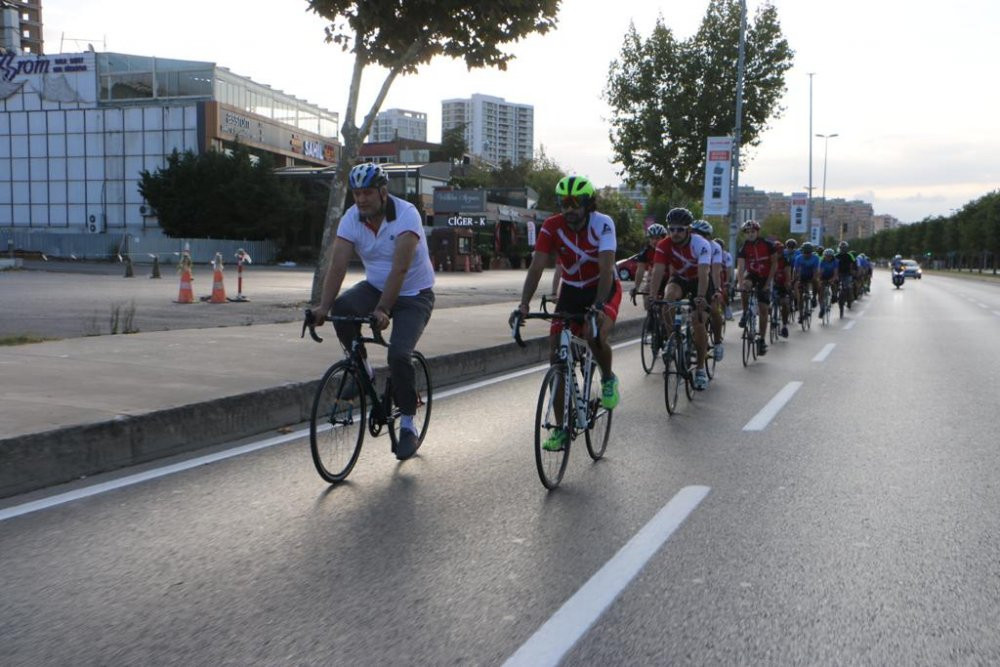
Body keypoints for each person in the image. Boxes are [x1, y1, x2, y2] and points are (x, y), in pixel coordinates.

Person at [313, 162, 435, 461]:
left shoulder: (406, 214)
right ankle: (361, 370)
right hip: (374, 287)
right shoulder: (352, 218)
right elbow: (338, 264)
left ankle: (408, 424)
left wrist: (383, 309)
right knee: (342, 309)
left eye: (367, 192)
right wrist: (323, 307)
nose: (361, 199)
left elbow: (401, 267)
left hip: (414, 294)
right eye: (356, 194)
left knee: (398, 355)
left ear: (383, 192)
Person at [513, 175, 622, 452]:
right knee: (556, 358)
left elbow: (607, 270)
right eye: (564, 203)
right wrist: (524, 304)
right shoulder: (552, 226)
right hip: (572, 290)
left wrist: (597, 307)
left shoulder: (603, 224)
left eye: (575, 203)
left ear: (588, 204)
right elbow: (537, 267)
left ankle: (608, 378)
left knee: (593, 333)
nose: (569, 209)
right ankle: (561, 428)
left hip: (602, 287)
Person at [648, 208, 713, 390]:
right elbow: (658, 271)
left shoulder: (701, 244)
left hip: (700, 281)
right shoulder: (664, 245)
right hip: (680, 280)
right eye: (672, 229)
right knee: (667, 300)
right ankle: (673, 339)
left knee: (697, 322)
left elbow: (704, 273)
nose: (675, 233)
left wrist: (700, 298)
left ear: (688, 230)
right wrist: (653, 296)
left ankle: (700, 368)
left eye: (680, 229)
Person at [736, 220, 777, 355]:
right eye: (747, 232)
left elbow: (774, 264)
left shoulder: (768, 245)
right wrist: (740, 282)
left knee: (763, 309)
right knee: (744, 286)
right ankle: (745, 312)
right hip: (752, 275)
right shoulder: (744, 247)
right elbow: (741, 267)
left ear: (757, 232)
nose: (750, 234)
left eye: (752, 232)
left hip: (765, 276)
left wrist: (767, 284)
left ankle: (762, 340)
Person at [691, 220, 725, 362]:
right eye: (695, 233)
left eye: (702, 235)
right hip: (690, 279)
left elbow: (716, 271)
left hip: (707, 277)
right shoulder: (688, 243)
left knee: (713, 311)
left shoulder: (715, 247)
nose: (698, 237)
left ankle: (717, 342)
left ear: (709, 236)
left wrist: (717, 289)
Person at [630, 223, 667, 309]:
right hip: (654, 279)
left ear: (663, 238)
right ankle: (651, 316)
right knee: (647, 295)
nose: (654, 241)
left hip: (668, 279)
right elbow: (640, 270)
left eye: (657, 238)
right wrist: (636, 287)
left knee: (666, 304)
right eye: (652, 238)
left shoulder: (669, 249)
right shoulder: (646, 251)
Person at [793, 242, 821, 321]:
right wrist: (795, 279)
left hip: (812, 275)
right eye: (805, 252)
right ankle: (801, 315)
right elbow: (795, 270)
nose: (806, 254)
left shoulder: (815, 258)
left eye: (808, 253)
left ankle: (814, 297)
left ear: (811, 252)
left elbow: (816, 271)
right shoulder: (798, 258)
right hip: (802, 276)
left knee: (816, 281)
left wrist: (814, 279)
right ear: (802, 252)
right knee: (800, 296)